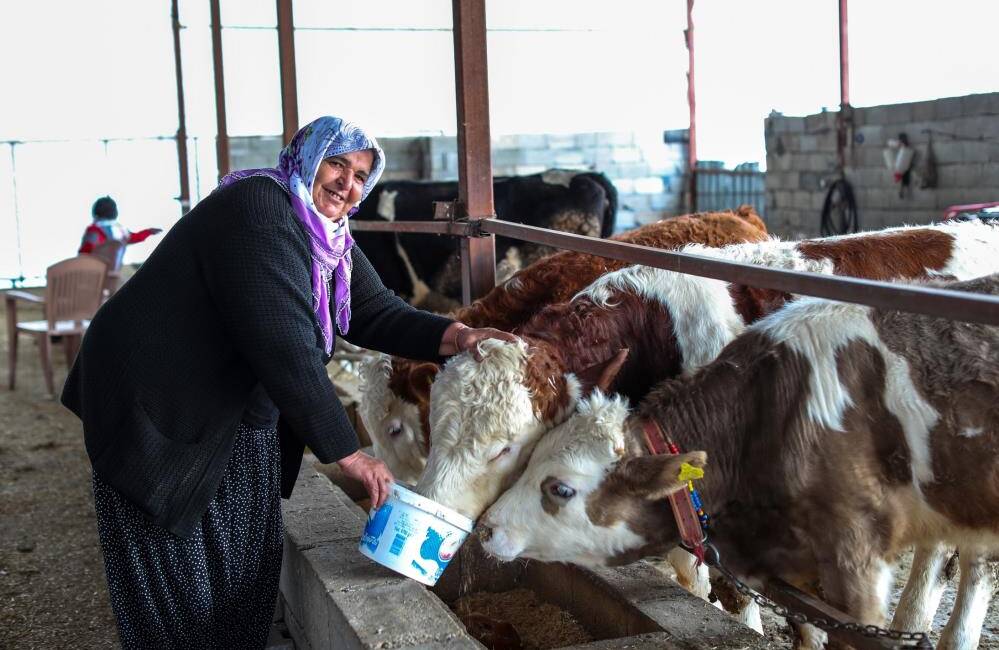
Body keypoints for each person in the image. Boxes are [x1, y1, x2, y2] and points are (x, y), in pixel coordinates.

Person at [61, 116, 518, 649]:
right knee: (174, 570)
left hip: (230, 406)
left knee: (248, 558)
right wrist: (349, 454)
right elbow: (283, 344)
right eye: (338, 164)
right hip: (158, 403)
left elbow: (373, 311)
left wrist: (458, 336)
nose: (347, 184)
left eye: (360, 175)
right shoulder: (260, 209)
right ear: (308, 157)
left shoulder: (328, 238)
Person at [78, 195, 163, 259]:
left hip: (88, 269)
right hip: (110, 273)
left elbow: (85, 251)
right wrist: (149, 231)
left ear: (95, 212)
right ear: (115, 213)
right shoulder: (120, 231)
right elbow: (137, 237)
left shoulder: (94, 229)